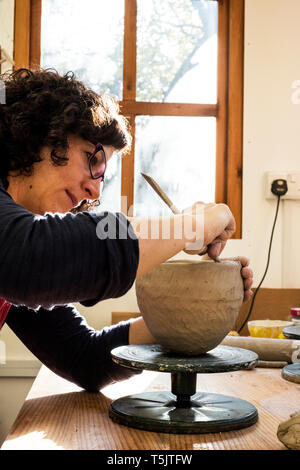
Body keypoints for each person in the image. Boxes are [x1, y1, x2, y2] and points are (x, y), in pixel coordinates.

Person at [0, 68, 253, 391]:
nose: (95, 192)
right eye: (94, 162)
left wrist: (186, 312)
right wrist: (195, 225)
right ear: (46, 131)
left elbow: (82, 357)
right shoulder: (23, 251)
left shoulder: (16, 258)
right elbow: (36, 255)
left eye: (102, 176)